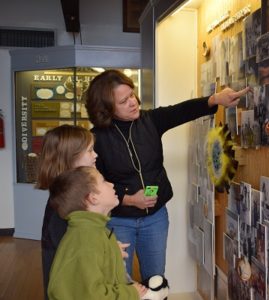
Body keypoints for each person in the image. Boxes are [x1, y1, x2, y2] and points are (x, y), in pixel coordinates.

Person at [84, 69, 250, 280]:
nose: (133, 102)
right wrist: (129, 199)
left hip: (155, 218)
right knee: (118, 280)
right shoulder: (96, 138)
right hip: (118, 220)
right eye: (123, 101)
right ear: (107, 109)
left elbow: (181, 111)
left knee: (156, 280)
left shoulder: (150, 120)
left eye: (132, 95)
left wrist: (215, 99)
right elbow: (93, 182)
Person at [47, 166, 147, 300]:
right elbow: (91, 295)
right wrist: (130, 293)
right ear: (93, 198)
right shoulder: (86, 240)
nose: (111, 184)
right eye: (104, 181)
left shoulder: (96, 231)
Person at [35, 125, 98, 299]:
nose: (96, 155)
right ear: (70, 157)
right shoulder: (66, 204)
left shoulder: (71, 194)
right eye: (90, 151)